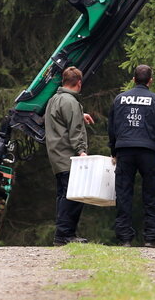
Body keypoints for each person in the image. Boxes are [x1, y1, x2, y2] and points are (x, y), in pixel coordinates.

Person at [108, 64, 155, 248]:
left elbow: (112, 127)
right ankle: (151, 238)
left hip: (125, 151)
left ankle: (124, 239)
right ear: (150, 81)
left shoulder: (119, 99)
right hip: (148, 152)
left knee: (123, 194)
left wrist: (114, 151)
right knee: (151, 195)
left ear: (133, 79)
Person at [45, 66, 95, 246]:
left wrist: (81, 114)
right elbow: (75, 131)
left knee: (63, 195)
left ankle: (64, 234)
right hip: (69, 157)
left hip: (57, 155)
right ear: (79, 83)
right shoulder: (71, 102)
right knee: (73, 196)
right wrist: (81, 151)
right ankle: (65, 236)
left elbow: (61, 120)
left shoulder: (54, 99)